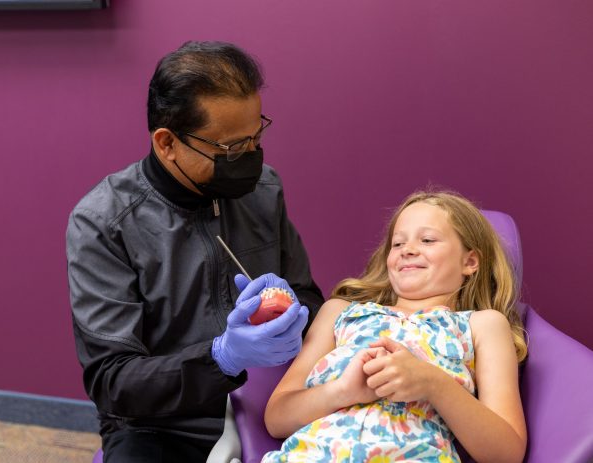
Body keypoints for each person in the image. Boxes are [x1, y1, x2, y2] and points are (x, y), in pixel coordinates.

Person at [65, 41, 324, 463]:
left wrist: (293, 314)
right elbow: (114, 382)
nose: (251, 158)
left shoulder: (264, 191)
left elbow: (308, 297)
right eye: (229, 150)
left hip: (271, 400)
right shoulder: (104, 222)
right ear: (167, 143)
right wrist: (223, 356)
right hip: (162, 423)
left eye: (256, 137)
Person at [262, 191, 528, 462]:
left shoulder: (482, 325)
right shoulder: (341, 312)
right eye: (398, 244)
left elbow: (506, 453)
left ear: (469, 261)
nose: (408, 250)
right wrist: (342, 391)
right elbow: (277, 418)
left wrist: (433, 384)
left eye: (427, 240)